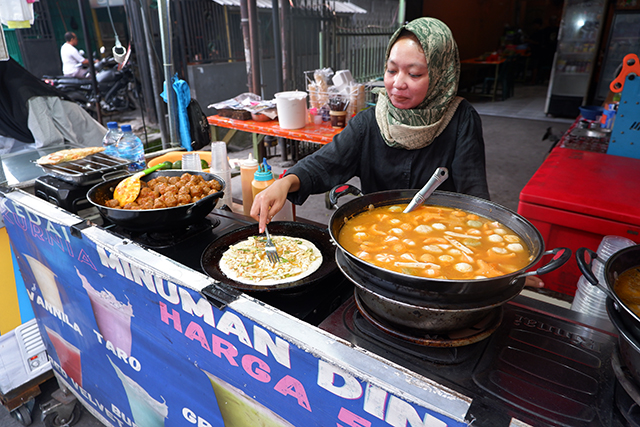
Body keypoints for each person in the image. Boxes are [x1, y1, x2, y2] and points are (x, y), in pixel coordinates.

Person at [251, 17, 544, 289]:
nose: (397, 83)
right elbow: (326, 163)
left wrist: (500, 268)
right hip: (376, 255)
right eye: (391, 70)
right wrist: (285, 182)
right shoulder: (370, 122)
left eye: (414, 73)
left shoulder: (461, 120)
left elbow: (475, 199)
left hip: (446, 263)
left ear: (442, 75)